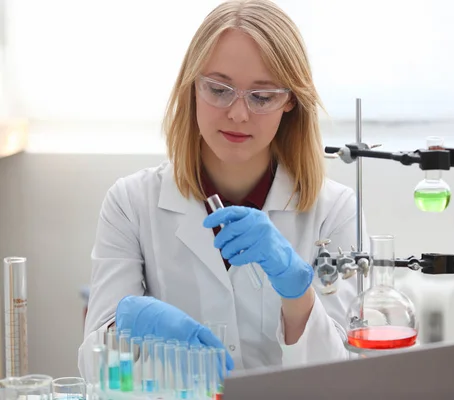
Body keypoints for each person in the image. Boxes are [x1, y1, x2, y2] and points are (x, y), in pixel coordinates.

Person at [78, 0, 368, 381]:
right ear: (192, 87)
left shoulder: (335, 209)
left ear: (290, 101)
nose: (238, 114)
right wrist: (128, 331)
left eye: (261, 97)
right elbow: (93, 370)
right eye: (219, 89)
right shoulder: (131, 203)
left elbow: (348, 380)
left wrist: (299, 298)